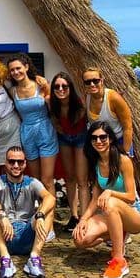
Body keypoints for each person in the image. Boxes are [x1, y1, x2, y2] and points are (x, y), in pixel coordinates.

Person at [73, 121, 140, 278]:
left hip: (133, 213)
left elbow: (131, 196)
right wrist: (83, 220)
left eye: (103, 137)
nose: (98, 141)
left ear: (111, 139)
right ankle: (117, 235)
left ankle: (119, 260)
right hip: (110, 214)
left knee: (111, 203)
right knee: (80, 239)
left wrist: (110, 192)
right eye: (94, 138)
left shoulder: (123, 161)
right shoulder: (96, 164)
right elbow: (95, 199)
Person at [83, 67, 140, 217]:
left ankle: (130, 218)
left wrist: (124, 153)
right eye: (88, 82)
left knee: (123, 184)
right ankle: (109, 218)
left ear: (102, 80)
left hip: (118, 143)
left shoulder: (113, 98)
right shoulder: (87, 98)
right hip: (100, 144)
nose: (92, 84)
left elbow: (127, 126)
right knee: (103, 181)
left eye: (95, 80)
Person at [0, 145, 56, 278]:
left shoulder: (32, 182)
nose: (16, 165)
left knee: (48, 208)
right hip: (5, 235)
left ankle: (34, 258)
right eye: (11, 162)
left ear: (25, 163)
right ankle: (5, 259)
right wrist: (2, 214)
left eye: (20, 162)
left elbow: (50, 198)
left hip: (27, 233)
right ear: (5, 163)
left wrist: (40, 214)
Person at [6, 54, 55, 194]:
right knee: (35, 179)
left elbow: (53, 108)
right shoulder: (12, 91)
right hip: (27, 134)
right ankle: (39, 212)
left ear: (26, 67)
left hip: (46, 131)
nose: (16, 72)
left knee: (47, 179)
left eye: (18, 68)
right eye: (12, 70)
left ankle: (50, 213)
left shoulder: (41, 85)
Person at [48, 71, 88, 232]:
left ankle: (84, 217)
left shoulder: (80, 103)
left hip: (80, 139)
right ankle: (74, 216)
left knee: (82, 179)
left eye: (64, 86)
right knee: (69, 177)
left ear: (70, 87)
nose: (60, 89)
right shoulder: (51, 103)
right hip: (64, 138)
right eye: (57, 86)